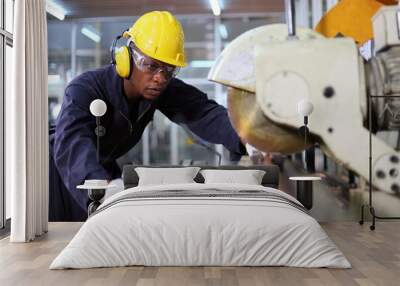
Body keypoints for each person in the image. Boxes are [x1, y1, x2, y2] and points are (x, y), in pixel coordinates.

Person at [49, 11, 247, 221]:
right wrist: (98, 186)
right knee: (70, 234)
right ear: (126, 58)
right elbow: (73, 143)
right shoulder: (85, 89)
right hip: (64, 169)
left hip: (101, 165)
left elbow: (203, 113)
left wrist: (248, 137)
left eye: (169, 69)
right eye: (151, 65)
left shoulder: (160, 88)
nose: (160, 78)